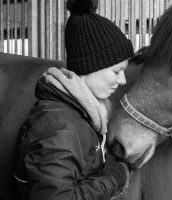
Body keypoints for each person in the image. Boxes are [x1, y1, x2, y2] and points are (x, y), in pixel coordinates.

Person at [14, 0, 134, 199]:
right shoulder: (59, 126)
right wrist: (114, 180)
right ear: (90, 66)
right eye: (116, 71)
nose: (122, 80)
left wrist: (114, 166)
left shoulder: (83, 112)